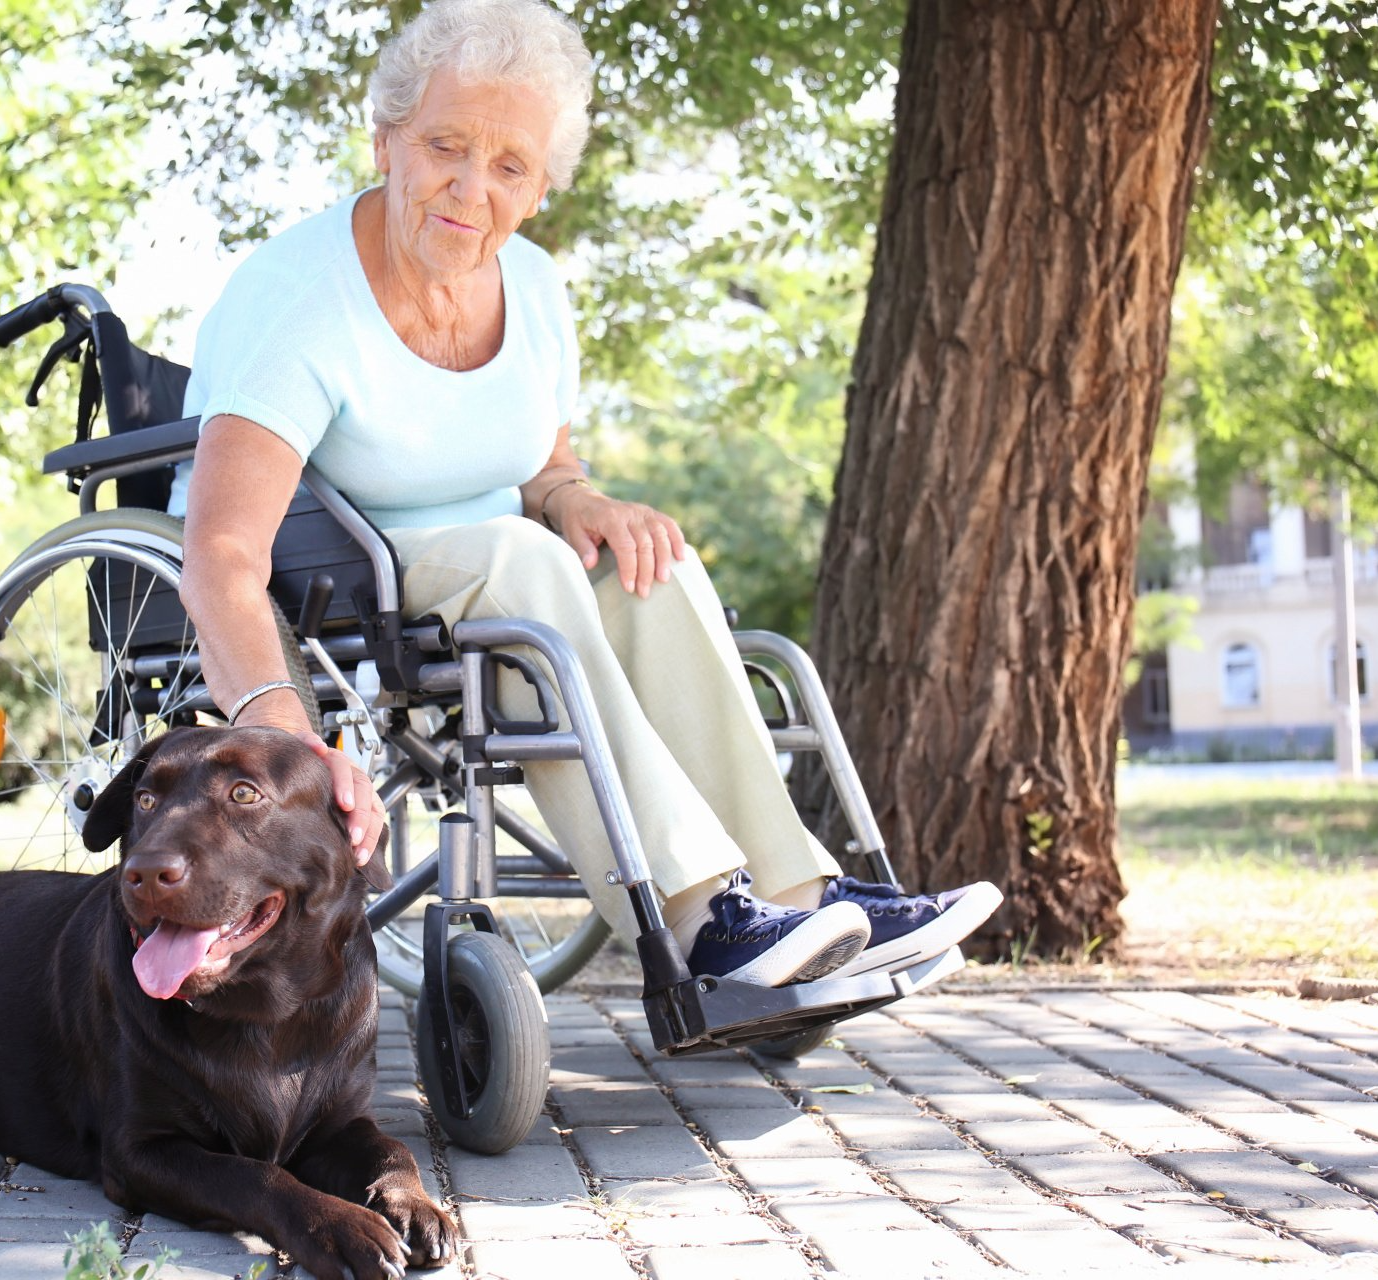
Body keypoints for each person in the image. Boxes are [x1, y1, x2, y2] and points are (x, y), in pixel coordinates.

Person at [175, 0, 1001, 987]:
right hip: (343, 575)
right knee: (526, 558)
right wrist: (282, 736)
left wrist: (581, 501)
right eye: (445, 144)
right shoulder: (302, 302)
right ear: (387, 137)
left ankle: (793, 900)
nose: (471, 188)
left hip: (510, 567)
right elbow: (222, 554)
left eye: (509, 165)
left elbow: (546, 468)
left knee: (652, 563)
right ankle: (699, 917)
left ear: (540, 186)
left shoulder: (533, 286)